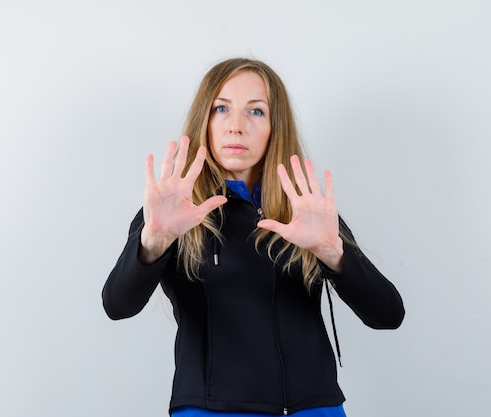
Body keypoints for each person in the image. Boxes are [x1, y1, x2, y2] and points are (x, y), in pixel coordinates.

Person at [102, 58, 405, 417]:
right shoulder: (175, 211)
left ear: (276, 126)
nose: (236, 127)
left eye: (256, 111)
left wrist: (332, 252)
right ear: (205, 121)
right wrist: (152, 243)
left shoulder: (306, 210)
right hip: (213, 410)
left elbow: (388, 314)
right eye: (221, 109)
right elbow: (117, 306)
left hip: (315, 407)